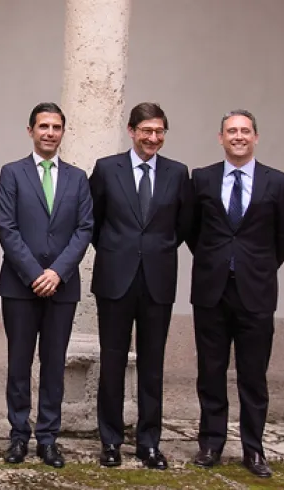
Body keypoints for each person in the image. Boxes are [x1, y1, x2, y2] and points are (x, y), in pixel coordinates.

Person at [188, 110, 284, 478]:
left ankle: (254, 449)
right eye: (231, 131)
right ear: (220, 138)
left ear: (256, 137)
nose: (238, 136)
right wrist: (216, 261)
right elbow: (192, 230)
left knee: (253, 376)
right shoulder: (202, 179)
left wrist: (258, 265)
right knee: (211, 371)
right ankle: (211, 443)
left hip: (256, 292)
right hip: (211, 291)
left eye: (245, 131)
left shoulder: (278, 182)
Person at [89, 102, 192, 469]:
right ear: (131, 131)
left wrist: (152, 251)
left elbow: (183, 227)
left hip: (158, 281)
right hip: (115, 279)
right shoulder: (106, 169)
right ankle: (111, 441)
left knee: (152, 365)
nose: (153, 138)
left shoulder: (178, 174)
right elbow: (94, 222)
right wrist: (123, 251)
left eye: (159, 131)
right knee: (113, 362)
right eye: (146, 131)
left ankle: (149, 442)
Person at [0, 102, 93, 469]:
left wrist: (57, 273)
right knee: (19, 364)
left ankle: (48, 437)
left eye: (55, 127)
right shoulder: (12, 173)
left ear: (62, 132)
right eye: (43, 126)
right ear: (30, 130)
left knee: (54, 365)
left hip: (62, 287)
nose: (49, 133)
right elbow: (7, 228)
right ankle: (18, 435)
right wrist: (36, 273)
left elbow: (85, 229)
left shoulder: (78, 178)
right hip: (20, 286)